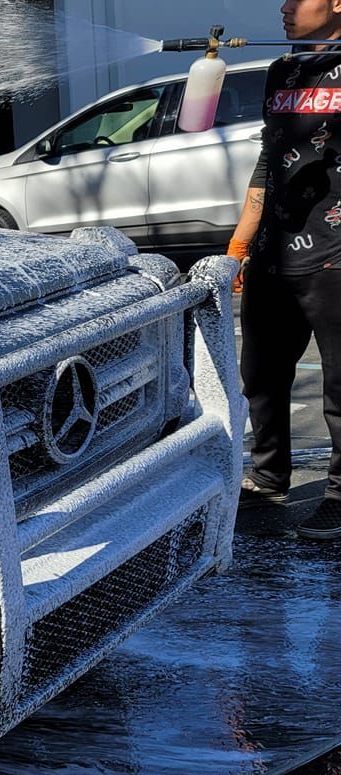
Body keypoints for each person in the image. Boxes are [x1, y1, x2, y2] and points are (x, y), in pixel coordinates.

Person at [229, 0, 341, 537]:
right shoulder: (283, 69)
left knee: (340, 387)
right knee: (261, 375)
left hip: (336, 251)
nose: (286, 7)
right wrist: (239, 243)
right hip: (275, 251)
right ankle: (268, 476)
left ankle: (340, 496)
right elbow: (269, 157)